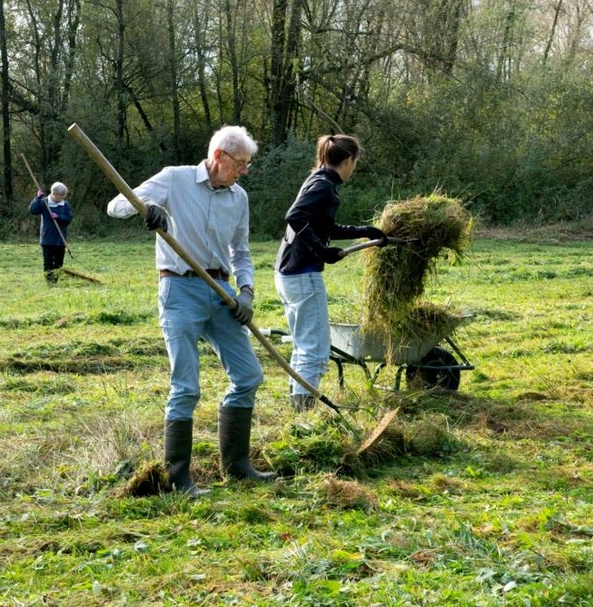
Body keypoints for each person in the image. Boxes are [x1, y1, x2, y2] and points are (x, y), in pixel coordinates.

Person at [106, 126, 275, 496]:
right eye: (241, 164)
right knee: (186, 386)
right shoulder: (175, 179)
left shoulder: (238, 198)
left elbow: (241, 252)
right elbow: (116, 205)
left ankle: (237, 464)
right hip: (179, 289)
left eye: (247, 164)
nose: (244, 171)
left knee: (248, 376)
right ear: (220, 157)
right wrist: (147, 209)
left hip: (222, 294)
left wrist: (246, 291)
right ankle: (178, 477)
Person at [274, 134, 386, 412]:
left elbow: (323, 227)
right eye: (355, 162)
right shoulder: (323, 186)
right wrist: (320, 252)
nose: (354, 168)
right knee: (315, 350)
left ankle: (297, 408)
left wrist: (364, 232)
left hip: (288, 271)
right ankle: (304, 414)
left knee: (303, 346)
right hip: (302, 273)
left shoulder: (318, 180)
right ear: (348, 160)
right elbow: (295, 216)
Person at [29, 182, 74, 284]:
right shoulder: (44, 203)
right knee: (48, 262)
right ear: (54, 194)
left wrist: (58, 217)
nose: (62, 198)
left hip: (60, 239)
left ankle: (55, 281)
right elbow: (32, 210)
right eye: (60, 196)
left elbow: (69, 218)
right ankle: (50, 283)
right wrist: (37, 199)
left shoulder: (65, 205)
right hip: (47, 239)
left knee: (58, 263)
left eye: (63, 196)